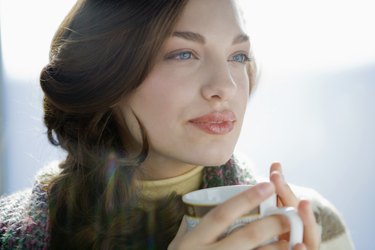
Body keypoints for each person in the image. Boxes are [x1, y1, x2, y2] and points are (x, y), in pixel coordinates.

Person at [0, 0, 354, 249]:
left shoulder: (312, 225)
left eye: (238, 56)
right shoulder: (9, 234)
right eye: (184, 54)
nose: (226, 86)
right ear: (106, 75)